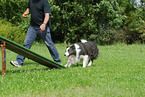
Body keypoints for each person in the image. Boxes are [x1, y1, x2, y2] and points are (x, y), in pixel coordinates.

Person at [10, 0, 62, 67]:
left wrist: (44, 24)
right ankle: (19, 62)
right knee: (26, 44)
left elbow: (47, 15)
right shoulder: (31, 1)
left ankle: (58, 62)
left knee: (50, 45)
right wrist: (26, 13)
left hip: (43, 27)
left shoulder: (44, 1)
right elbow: (29, 8)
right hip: (33, 27)